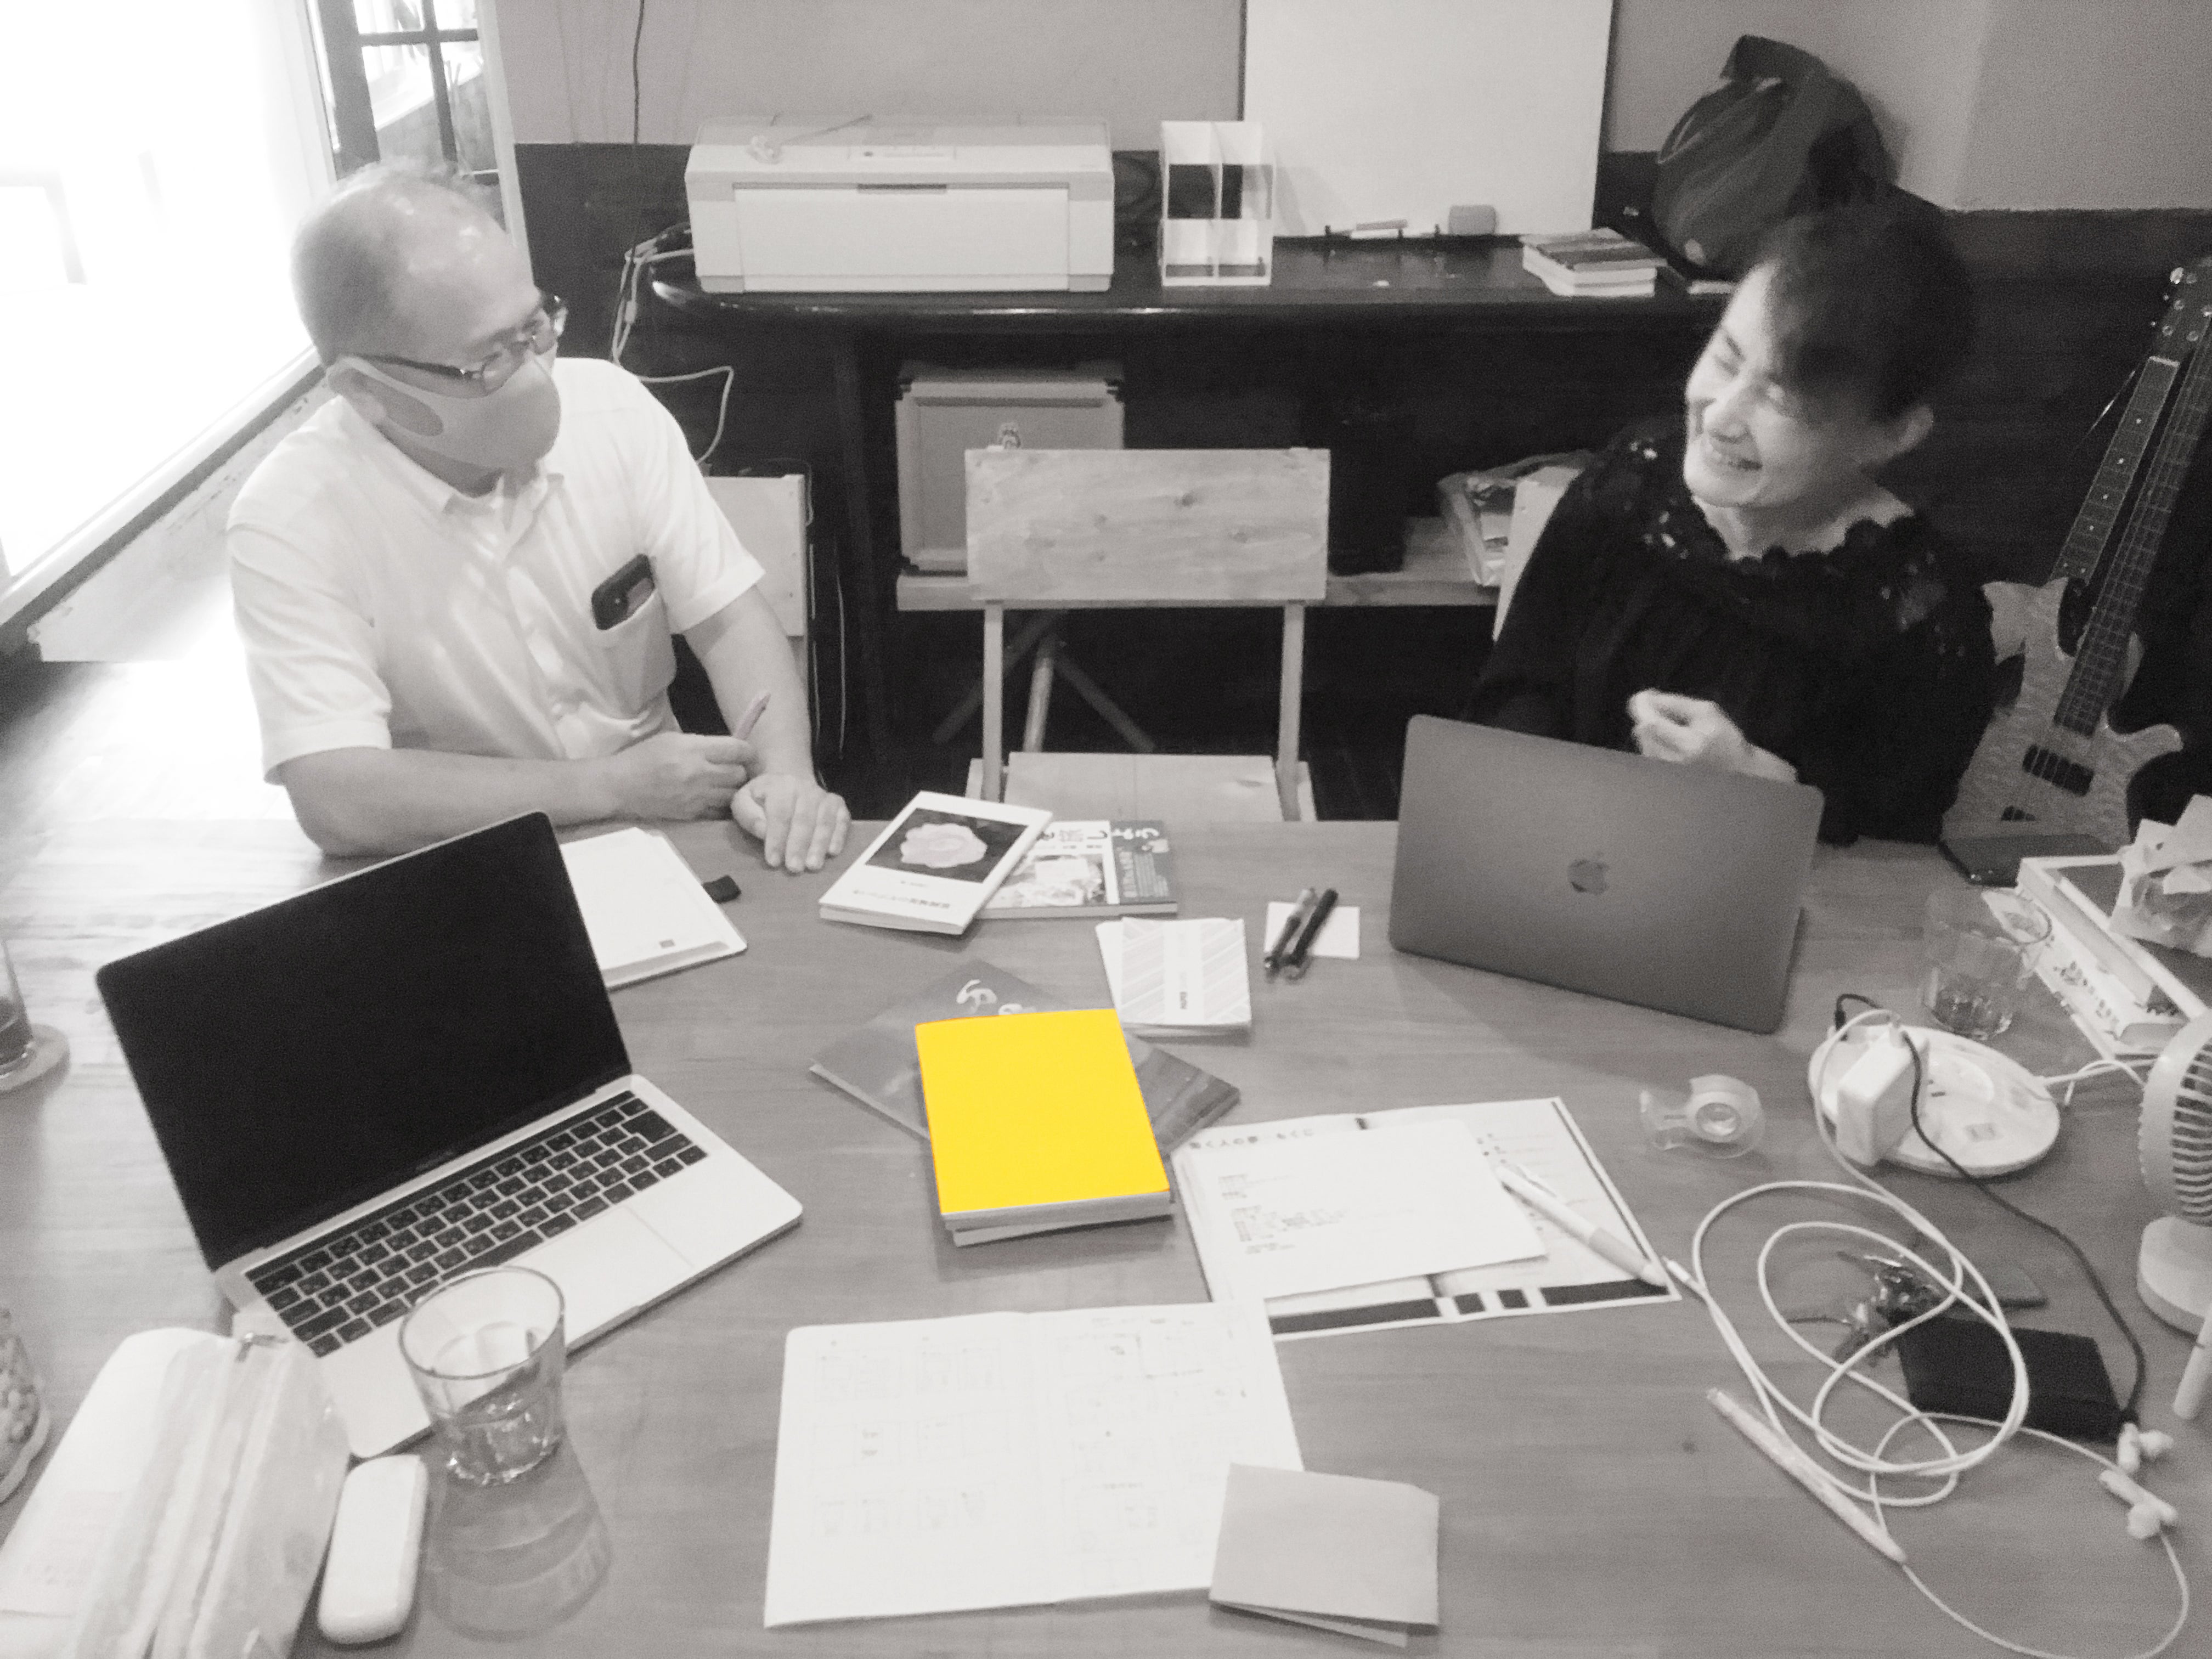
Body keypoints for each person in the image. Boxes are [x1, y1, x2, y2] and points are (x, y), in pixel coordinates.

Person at [229, 160, 849, 868]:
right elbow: (338, 797)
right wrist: (607, 788)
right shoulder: (292, 518)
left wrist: (787, 775)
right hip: (463, 858)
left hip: (666, 835)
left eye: (535, 327)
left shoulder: (613, 410)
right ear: (365, 390)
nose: (534, 373)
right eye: (488, 360)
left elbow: (729, 618)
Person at [1469, 199, 1994, 844]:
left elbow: (1898, 854)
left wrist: (1756, 785)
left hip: (1772, 898)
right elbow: (1517, 687)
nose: (1720, 417)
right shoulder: (1631, 484)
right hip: (1567, 860)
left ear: (1891, 435)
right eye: (1726, 357)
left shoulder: (1921, 614)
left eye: (1783, 399)